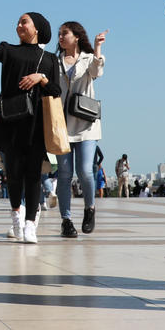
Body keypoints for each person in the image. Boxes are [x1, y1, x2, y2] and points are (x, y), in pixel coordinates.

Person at [0, 0, 62, 244]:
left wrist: (41, 78)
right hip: (9, 123)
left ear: (37, 29)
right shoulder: (9, 51)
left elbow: (56, 91)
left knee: (33, 175)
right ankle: (16, 217)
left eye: (24, 22)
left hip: (35, 125)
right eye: (18, 22)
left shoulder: (49, 60)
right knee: (14, 175)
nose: (19, 25)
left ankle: (31, 225)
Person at [55, 21, 107, 238]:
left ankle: (89, 208)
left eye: (64, 33)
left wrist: (97, 47)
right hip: (62, 125)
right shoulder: (55, 61)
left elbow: (96, 72)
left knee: (85, 171)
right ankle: (66, 220)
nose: (60, 37)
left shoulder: (88, 58)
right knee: (64, 174)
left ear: (76, 37)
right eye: (59, 34)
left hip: (86, 124)